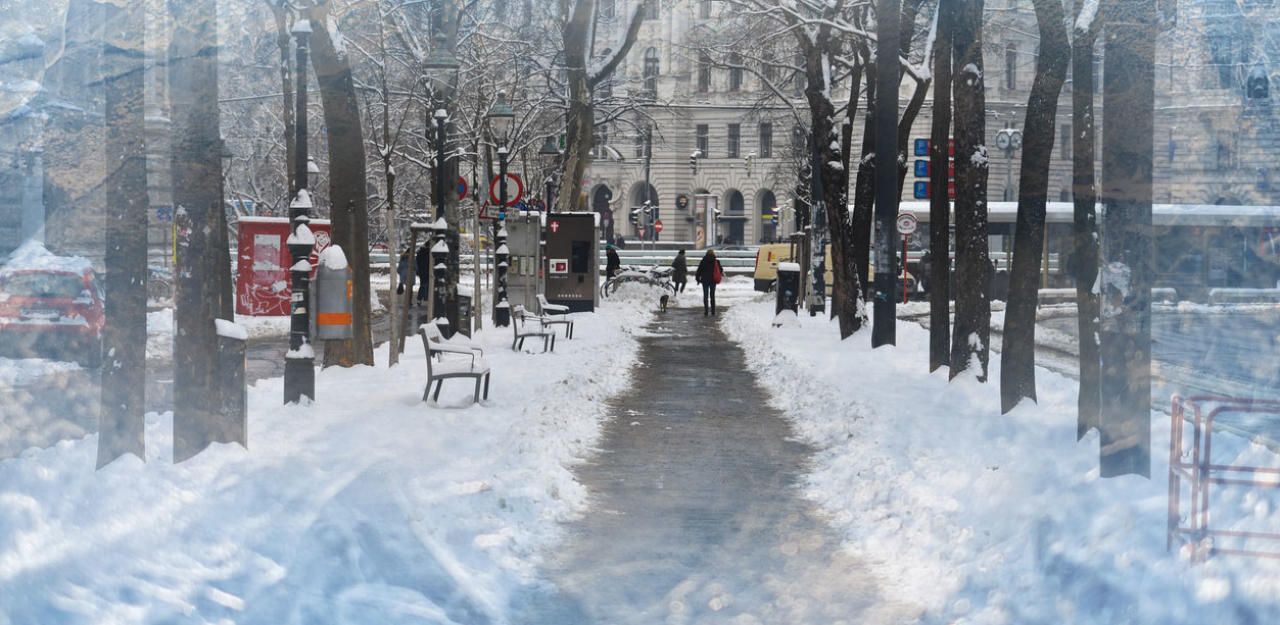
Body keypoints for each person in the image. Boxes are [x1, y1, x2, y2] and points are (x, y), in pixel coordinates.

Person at [695, 249, 724, 316]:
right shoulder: (716, 261)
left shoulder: (703, 261)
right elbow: (720, 270)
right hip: (713, 280)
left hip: (705, 280)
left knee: (705, 296)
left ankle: (706, 311)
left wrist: (697, 279)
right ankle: (713, 311)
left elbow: (699, 270)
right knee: (712, 296)